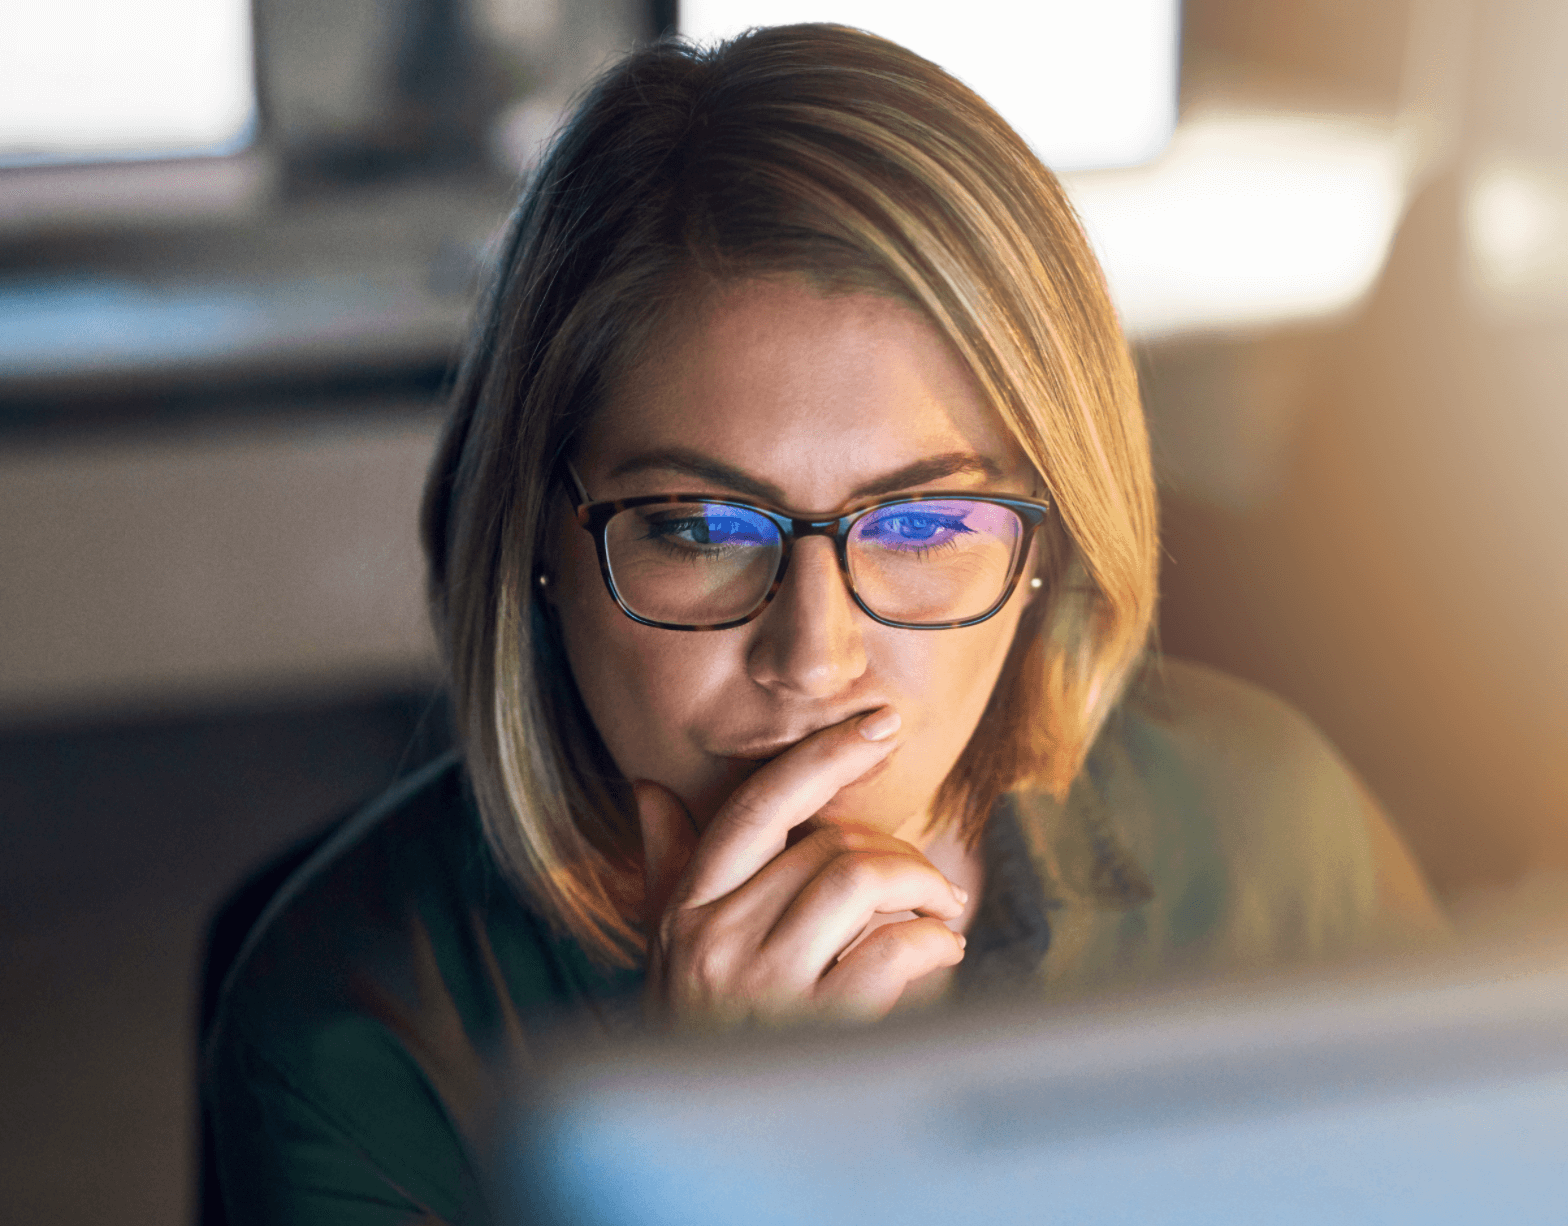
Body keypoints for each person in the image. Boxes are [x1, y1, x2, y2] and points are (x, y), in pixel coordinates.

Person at [200, 24, 1442, 1224]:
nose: (814, 661)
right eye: (695, 527)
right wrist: (724, 1142)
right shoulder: (349, 1038)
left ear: (1049, 542)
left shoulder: (1273, 837)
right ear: (537, 534)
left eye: (920, 527)